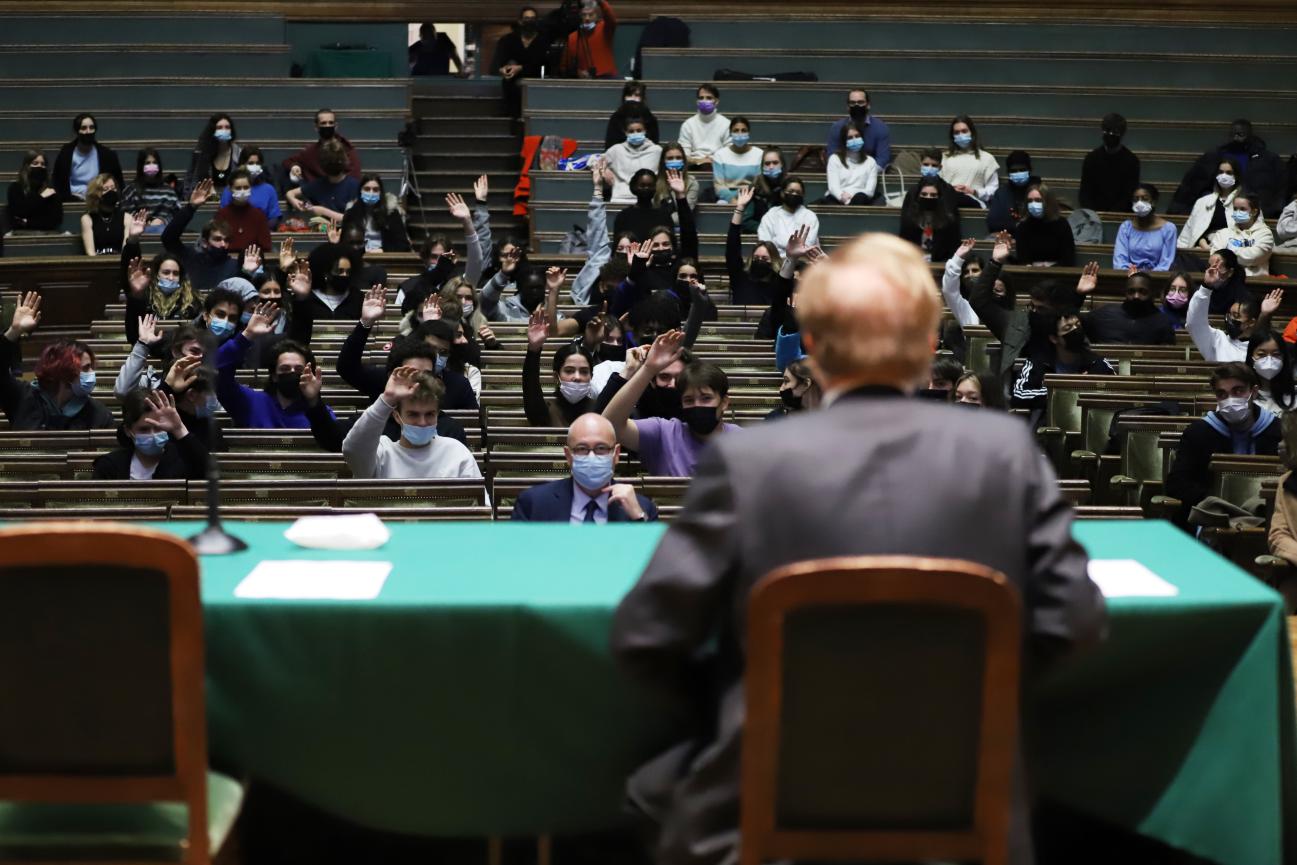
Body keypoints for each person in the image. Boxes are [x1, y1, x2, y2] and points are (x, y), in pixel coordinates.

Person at [610, 232, 1106, 865]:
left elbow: (645, 636)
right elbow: (1077, 621)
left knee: (646, 790)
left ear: (812, 347)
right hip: (963, 786)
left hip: (774, 783)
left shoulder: (747, 461)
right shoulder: (1007, 454)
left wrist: (745, 698)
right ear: (929, 346)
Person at [604, 331, 739, 476]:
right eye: (689, 400)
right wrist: (648, 369)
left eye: (706, 398)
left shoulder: (744, 440)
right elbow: (610, 426)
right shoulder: (663, 433)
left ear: (724, 402)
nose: (697, 405)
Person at [1165, 362, 1280, 528]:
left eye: (1238, 391)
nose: (1230, 399)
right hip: (1213, 518)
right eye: (1222, 394)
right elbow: (1177, 483)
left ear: (1253, 392)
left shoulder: (1278, 431)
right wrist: (1217, 503)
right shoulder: (1199, 432)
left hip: (1268, 517)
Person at [511, 413, 658, 522]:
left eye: (601, 448)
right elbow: (515, 560)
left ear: (616, 454)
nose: (592, 457)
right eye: (582, 449)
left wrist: (639, 518)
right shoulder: (533, 503)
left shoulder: (642, 508)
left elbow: (655, 562)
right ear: (568, 456)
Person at [342, 366, 481, 480]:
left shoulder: (456, 453)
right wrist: (386, 400)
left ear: (437, 415)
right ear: (397, 416)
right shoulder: (383, 452)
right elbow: (351, 449)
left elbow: (480, 508)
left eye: (429, 414)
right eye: (413, 414)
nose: (422, 422)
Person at [0, 291, 113, 431]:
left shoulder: (99, 414)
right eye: (85, 368)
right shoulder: (22, 397)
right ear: (64, 370)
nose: (91, 373)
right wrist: (14, 332)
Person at [1170, 119, 1286, 218]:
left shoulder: (1268, 159)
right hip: (1219, 208)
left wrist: (1273, 211)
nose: (1236, 138)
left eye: (1241, 134)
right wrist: (1178, 208)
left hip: (1255, 212)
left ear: (1250, 135)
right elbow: (1193, 183)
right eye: (1233, 134)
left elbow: (1282, 187)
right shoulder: (1215, 156)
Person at [1011, 309, 1115, 416]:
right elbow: (1019, 395)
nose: (1075, 329)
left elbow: (1116, 393)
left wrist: (1086, 387)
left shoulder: (1097, 362)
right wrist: (1061, 390)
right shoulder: (1037, 363)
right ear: (1054, 338)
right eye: (1068, 328)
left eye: (1077, 324)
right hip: (1049, 424)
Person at [93, 388, 207, 481]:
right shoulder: (109, 466)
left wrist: (179, 429)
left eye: (158, 427)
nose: (152, 435)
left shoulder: (183, 460)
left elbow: (209, 475)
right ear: (128, 430)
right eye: (144, 429)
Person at [160, 179, 239, 291]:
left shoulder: (233, 266)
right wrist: (191, 207)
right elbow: (168, 238)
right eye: (217, 239)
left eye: (226, 240)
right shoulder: (189, 256)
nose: (223, 244)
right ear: (205, 242)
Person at [524, 306, 598, 426]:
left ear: (591, 376)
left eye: (584, 372)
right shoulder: (547, 410)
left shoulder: (602, 410)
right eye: (569, 371)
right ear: (556, 376)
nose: (577, 377)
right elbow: (530, 387)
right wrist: (534, 349)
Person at [1186, 257, 1258, 362]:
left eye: (1236, 316)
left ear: (1251, 322)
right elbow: (1194, 323)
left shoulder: (1262, 348)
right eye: (1229, 314)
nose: (1229, 319)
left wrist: (1266, 315)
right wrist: (1206, 287)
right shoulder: (1217, 340)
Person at [1082, 269, 1175, 345]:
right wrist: (1079, 294)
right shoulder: (1104, 314)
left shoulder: (1162, 322)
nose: (1136, 296)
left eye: (1143, 292)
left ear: (1152, 294)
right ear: (1125, 293)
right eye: (1131, 291)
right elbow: (1072, 323)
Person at [492, 7, 551, 118]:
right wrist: (503, 69)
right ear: (520, 21)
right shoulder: (508, 40)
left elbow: (544, 64)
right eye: (527, 18)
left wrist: (520, 68)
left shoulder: (544, 41)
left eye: (533, 19)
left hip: (535, 83)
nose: (529, 22)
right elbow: (499, 62)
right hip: (512, 83)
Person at [1176, 156, 1241, 255]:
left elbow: (1254, 234)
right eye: (1221, 172)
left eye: (1229, 173)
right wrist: (1202, 243)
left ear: (1237, 175)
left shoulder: (1246, 202)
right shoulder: (1202, 202)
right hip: (1202, 251)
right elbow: (1187, 234)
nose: (1224, 176)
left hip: (1233, 253)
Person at [726, 187, 780, 305]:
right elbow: (732, 247)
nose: (760, 260)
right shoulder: (740, 278)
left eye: (765, 258)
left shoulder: (780, 283)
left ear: (773, 261)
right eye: (756, 258)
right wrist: (740, 208)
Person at [1078, 113, 1141, 213]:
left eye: (1114, 133)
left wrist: (1112, 214)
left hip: (1121, 216)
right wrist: (1093, 214)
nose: (1110, 136)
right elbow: (1085, 192)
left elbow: (1129, 194)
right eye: (1107, 132)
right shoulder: (1091, 158)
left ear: (1122, 134)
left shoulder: (1132, 161)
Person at [52, 113, 122, 201]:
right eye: (84, 128)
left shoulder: (107, 155)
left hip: (100, 202)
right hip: (72, 201)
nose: (88, 131)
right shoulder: (65, 154)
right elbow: (58, 183)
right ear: (77, 131)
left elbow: (118, 184)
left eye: (91, 128)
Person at [1206, 188, 1275, 277]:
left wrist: (1226, 253)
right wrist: (1240, 254)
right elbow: (1214, 259)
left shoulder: (1265, 234)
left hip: (1253, 282)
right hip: (1225, 281)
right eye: (1235, 209)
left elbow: (1253, 257)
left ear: (1254, 212)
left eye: (1242, 209)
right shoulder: (1223, 233)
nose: (1237, 212)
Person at [282, 109, 362, 185]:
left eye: (331, 123)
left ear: (336, 126)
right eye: (323, 123)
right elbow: (288, 161)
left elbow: (354, 177)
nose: (328, 126)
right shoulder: (311, 151)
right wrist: (294, 166)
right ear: (316, 127)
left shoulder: (347, 149)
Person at [287, 139, 360, 222]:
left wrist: (323, 211)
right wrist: (294, 201)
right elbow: (290, 193)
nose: (333, 164)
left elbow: (353, 219)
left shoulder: (354, 186)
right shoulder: (318, 184)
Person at [1113, 183, 1177, 271]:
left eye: (1145, 199)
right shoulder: (1126, 228)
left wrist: (1148, 276)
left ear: (1153, 201)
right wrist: (1133, 274)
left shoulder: (1169, 229)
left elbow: (1166, 263)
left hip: (1158, 279)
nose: (1139, 203)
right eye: (1136, 199)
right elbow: (1119, 261)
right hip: (1129, 277)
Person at [342, 174, 411, 254]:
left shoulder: (391, 213)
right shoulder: (351, 213)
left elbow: (403, 245)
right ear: (360, 191)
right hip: (358, 257)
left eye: (375, 190)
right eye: (367, 189)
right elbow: (344, 243)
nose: (371, 193)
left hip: (384, 258)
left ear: (380, 192)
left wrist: (383, 250)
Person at [940, 114, 999, 207]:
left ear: (972, 133)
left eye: (964, 131)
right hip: (947, 203)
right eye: (956, 132)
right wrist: (951, 189)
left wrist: (973, 191)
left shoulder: (987, 158)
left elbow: (993, 189)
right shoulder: (944, 158)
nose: (960, 135)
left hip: (974, 202)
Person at [1012, 183, 1075, 266]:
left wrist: (1050, 269)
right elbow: (1023, 259)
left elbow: (1068, 258)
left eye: (1038, 200)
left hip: (1058, 273)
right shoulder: (1023, 227)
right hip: (1031, 273)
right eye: (1030, 201)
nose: (1033, 204)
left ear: (1048, 202)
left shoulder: (1062, 224)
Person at [602, 117, 662, 204]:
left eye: (639, 130)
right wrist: (604, 169)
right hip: (620, 199)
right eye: (631, 131)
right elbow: (593, 160)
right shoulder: (616, 150)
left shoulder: (657, 151)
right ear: (626, 133)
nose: (635, 133)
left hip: (648, 200)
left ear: (645, 131)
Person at [824, 87, 890, 167]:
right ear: (848, 107)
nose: (856, 106)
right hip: (844, 174)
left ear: (868, 105)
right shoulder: (837, 128)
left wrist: (866, 172)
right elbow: (832, 156)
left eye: (860, 102)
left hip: (871, 174)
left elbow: (882, 159)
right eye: (852, 103)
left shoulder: (880, 128)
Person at [899, 177, 959, 262]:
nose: (928, 198)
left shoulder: (948, 221)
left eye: (933, 195)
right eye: (924, 194)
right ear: (918, 196)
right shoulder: (910, 219)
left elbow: (952, 250)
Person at [214, 168, 271, 254]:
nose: (242, 191)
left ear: (251, 188)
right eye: (238, 188)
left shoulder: (259, 215)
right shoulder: (222, 215)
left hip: (252, 260)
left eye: (246, 187)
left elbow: (266, 246)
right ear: (230, 188)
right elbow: (216, 244)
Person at [757, 176, 818, 257]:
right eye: (791, 191)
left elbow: (807, 245)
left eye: (798, 192)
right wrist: (792, 245)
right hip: (775, 261)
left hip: (802, 261)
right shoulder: (771, 214)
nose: (794, 194)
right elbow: (765, 244)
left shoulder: (810, 216)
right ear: (782, 193)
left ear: (802, 195)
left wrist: (777, 240)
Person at [219, 147, 281, 226]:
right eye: (250, 163)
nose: (255, 166)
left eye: (257, 163)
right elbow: (223, 217)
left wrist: (261, 231)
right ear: (242, 164)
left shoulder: (269, 189)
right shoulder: (229, 189)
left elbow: (274, 217)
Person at [121, 148, 179, 231]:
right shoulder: (131, 190)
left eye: (154, 162)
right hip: (137, 229)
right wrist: (142, 221)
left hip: (163, 230)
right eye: (147, 163)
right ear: (141, 166)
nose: (151, 165)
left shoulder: (168, 191)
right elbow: (125, 213)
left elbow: (176, 214)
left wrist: (162, 220)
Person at [825, 122, 880, 206]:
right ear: (844, 141)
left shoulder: (871, 161)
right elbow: (833, 187)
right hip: (838, 199)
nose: (854, 140)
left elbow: (870, 191)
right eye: (850, 138)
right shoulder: (834, 159)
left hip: (861, 200)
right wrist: (845, 198)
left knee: (860, 197)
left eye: (857, 136)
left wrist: (854, 197)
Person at [6, 151, 62, 233]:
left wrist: (26, 222)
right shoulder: (16, 188)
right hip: (22, 234)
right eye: (35, 163)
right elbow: (18, 212)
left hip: (47, 235)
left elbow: (54, 221)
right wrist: (41, 197)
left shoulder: (51, 190)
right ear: (26, 167)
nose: (39, 166)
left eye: (43, 164)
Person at [185, 113, 241, 194]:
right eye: (219, 128)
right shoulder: (200, 152)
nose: (224, 130)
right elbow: (189, 178)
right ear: (212, 130)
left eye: (227, 127)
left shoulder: (239, 153)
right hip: (205, 201)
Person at [710, 117, 761, 203]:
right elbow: (719, 185)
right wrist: (733, 201)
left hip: (751, 197)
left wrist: (746, 199)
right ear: (730, 133)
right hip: (727, 199)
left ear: (748, 133)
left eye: (743, 130)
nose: (740, 133)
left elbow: (758, 184)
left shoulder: (759, 154)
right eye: (736, 130)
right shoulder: (720, 155)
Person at [987, 150, 1039, 234]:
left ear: (1029, 170)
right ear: (1008, 173)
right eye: (1014, 171)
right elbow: (993, 222)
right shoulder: (1001, 193)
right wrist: (1017, 226)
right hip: (1008, 235)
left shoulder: (1041, 191)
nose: (1018, 173)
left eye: (1022, 170)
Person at [678, 84, 730, 168]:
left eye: (709, 98)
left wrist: (713, 160)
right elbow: (683, 155)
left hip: (719, 166)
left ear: (716, 101)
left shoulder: (726, 124)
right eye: (701, 98)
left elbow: (730, 152)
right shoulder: (688, 125)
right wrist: (699, 161)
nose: (704, 101)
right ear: (697, 101)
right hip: (694, 165)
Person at [562, 0, 617, 79]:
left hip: (607, 77)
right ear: (579, 17)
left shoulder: (604, 29)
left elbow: (611, 19)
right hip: (584, 81)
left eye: (591, 15)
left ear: (597, 16)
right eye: (584, 15)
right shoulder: (572, 38)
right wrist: (578, 72)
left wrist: (601, 2)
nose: (587, 18)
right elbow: (565, 65)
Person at [1247, 330, 1297, 415]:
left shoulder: (1295, 396)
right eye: (1261, 354)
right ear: (1251, 358)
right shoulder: (1240, 394)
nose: (1269, 360)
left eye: (1276, 354)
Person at [614, 169, 672, 241]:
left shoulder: (664, 215)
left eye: (650, 185)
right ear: (634, 187)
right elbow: (618, 245)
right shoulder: (623, 216)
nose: (646, 188)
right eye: (642, 185)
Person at [604, 81, 661, 152]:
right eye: (629, 95)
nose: (633, 98)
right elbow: (610, 146)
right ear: (624, 97)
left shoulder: (650, 119)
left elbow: (654, 144)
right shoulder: (616, 117)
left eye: (637, 95)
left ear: (642, 98)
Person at [80, 174, 124, 256]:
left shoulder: (126, 218)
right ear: (96, 194)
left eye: (113, 188)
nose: (111, 191)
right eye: (106, 189)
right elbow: (90, 252)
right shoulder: (87, 219)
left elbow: (125, 252)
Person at [655, 143, 700, 212]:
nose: (674, 161)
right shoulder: (654, 180)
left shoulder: (692, 183)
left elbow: (686, 212)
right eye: (670, 158)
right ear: (663, 161)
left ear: (684, 160)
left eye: (678, 158)